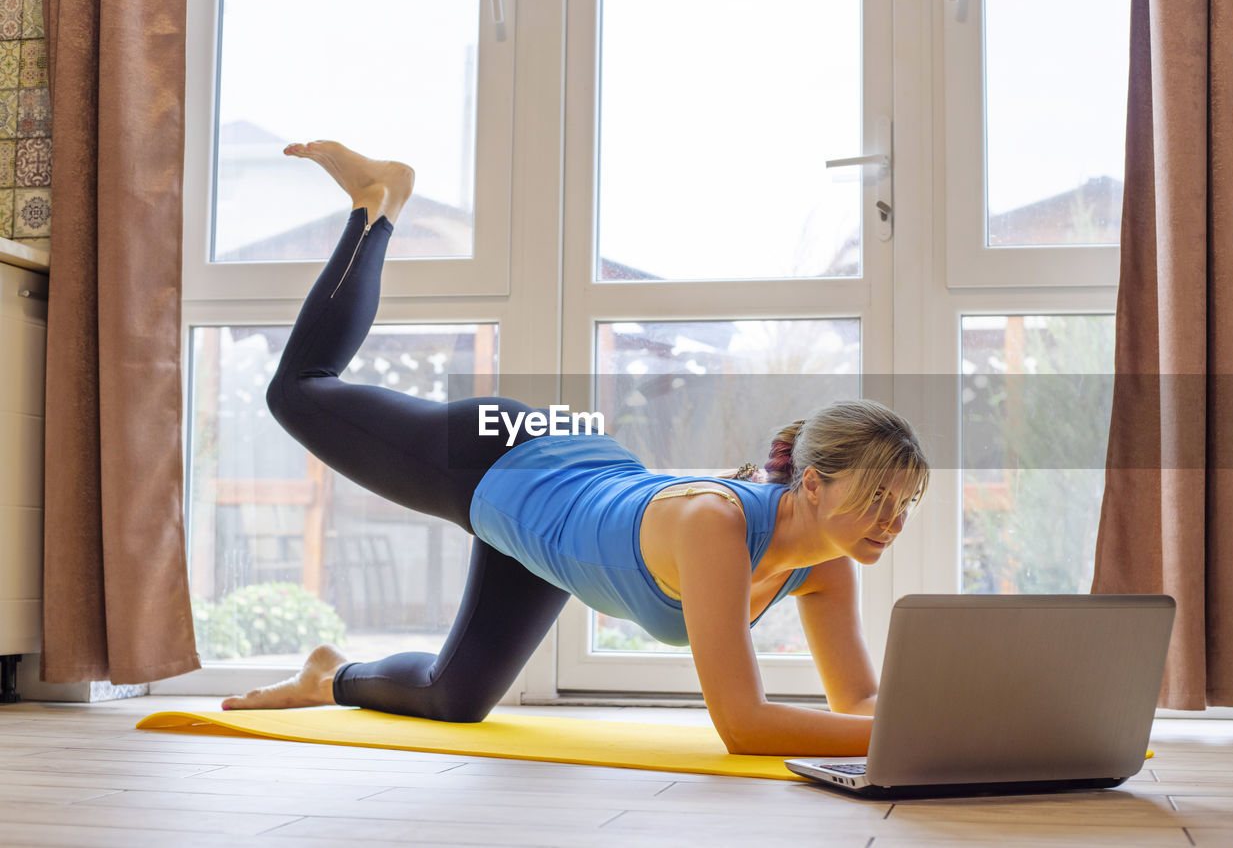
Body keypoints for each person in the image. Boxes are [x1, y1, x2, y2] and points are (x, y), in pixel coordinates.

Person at [220, 141, 930, 757]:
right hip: (507, 456)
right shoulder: (717, 526)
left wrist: (942, 730)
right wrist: (901, 732)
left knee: (455, 697)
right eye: (876, 499)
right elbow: (743, 726)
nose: (890, 521)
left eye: (902, 506)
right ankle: (378, 202)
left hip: (558, 522)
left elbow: (860, 705)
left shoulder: (827, 567)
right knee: (298, 393)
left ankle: (326, 675)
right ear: (811, 484)